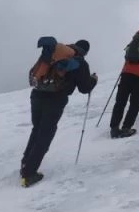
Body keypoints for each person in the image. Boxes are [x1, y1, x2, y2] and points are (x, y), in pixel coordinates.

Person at [21, 38, 97, 187]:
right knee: (45, 134)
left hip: (37, 94)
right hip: (55, 99)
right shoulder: (80, 62)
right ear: (85, 52)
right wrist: (93, 80)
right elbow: (84, 88)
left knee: (37, 129)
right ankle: (28, 174)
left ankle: (26, 162)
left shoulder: (53, 53)